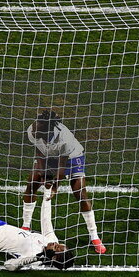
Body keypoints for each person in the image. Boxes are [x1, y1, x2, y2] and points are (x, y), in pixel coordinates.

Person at [22, 109, 106, 254]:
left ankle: (95, 237)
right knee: (32, 184)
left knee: (80, 193)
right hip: (48, 155)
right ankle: (25, 227)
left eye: (38, 128)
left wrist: (54, 186)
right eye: (35, 125)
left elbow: (62, 166)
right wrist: (43, 173)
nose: (34, 130)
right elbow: (39, 151)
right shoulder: (32, 130)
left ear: (47, 129)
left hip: (72, 157)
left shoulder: (64, 138)